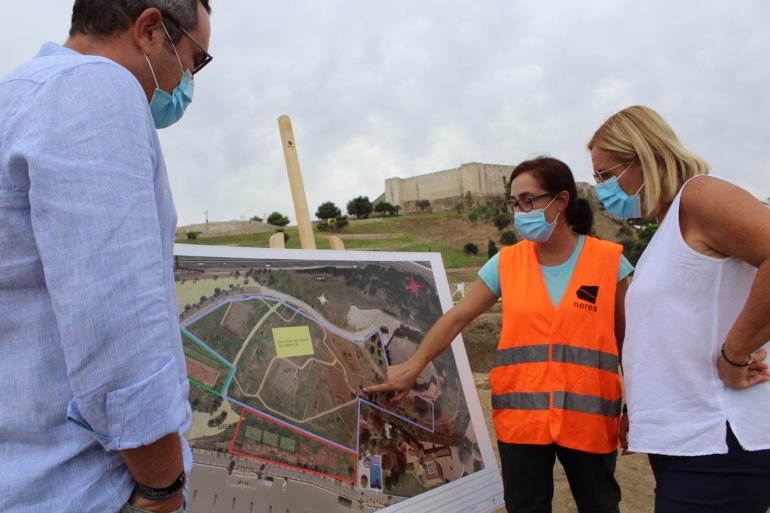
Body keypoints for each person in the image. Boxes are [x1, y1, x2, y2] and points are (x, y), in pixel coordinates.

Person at [0, 1, 212, 512]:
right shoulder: (97, 88)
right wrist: (162, 488)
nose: (191, 82)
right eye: (196, 59)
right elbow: (116, 329)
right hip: (83, 489)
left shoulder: (16, 97)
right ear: (150, 30)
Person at [366, 157, 633, 513]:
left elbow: (630, 343)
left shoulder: (609, 262)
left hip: (589, 421)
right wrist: (413, 366)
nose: (519, 211)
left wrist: (636, 407)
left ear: (562, 201)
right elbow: (456, 319)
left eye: (528, 200)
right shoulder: (505, 263)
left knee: (600, 506)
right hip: (522, 424)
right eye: (514, 202)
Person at [587, 105, 770, 513]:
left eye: (605, 174)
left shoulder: (701, 196)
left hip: (718, 441)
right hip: (687, 442)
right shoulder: (665, 230)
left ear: (645, 156)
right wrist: (643, 408)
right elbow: (667, 330)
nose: (600, 187)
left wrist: (734, 353)